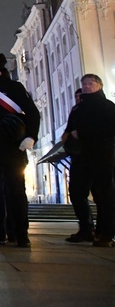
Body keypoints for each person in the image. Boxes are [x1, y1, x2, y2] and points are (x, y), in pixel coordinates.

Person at [0, 53, 40, 248]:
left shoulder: (15, 88)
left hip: (13, 148)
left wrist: (31, 136)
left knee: (16, 191)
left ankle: (21, 234)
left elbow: (33, 113)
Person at [63, 74, 115, 247]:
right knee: (77, 193)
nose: (86, 86)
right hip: (81, 157)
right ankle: (86, 228)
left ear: (99, 85)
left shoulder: (108, 107)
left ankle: (106, 233)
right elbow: (69, 130)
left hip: (102, 156)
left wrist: (82, 133)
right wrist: (70, 138)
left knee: (104, 196)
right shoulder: (78, 109)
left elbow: (108, 131)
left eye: (90, 83)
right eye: (84, 84)